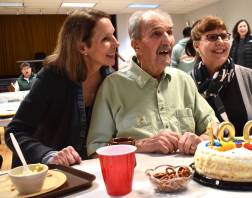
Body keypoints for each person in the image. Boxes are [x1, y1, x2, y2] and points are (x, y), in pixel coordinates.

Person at [87, 10, 218, 157]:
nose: (167, 40)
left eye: (169, 32)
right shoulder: (112, 86)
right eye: (156, 33)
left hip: (188, 176)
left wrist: (201, 140)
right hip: (138, 178)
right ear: (136, 46)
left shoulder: (184, 81)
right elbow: (95, 148)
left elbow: (215, 127)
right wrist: (141, 145)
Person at [5, 9, 119, 167]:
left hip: (88, 173)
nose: (116, 43)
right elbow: (14, 131)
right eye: (106, 39)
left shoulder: (111, 79)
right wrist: (48, 155)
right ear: (82, 47)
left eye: (113, 35)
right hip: (45, 175)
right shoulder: (52, 77)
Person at [187, 15, 252, 135]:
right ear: (196, 45)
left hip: (248, 150)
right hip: (207, 152)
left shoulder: (248, 76)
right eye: (212, 37)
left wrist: (245, 148)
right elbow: (185, 130)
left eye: (224, 36)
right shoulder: (187, 82)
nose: (220, 42)